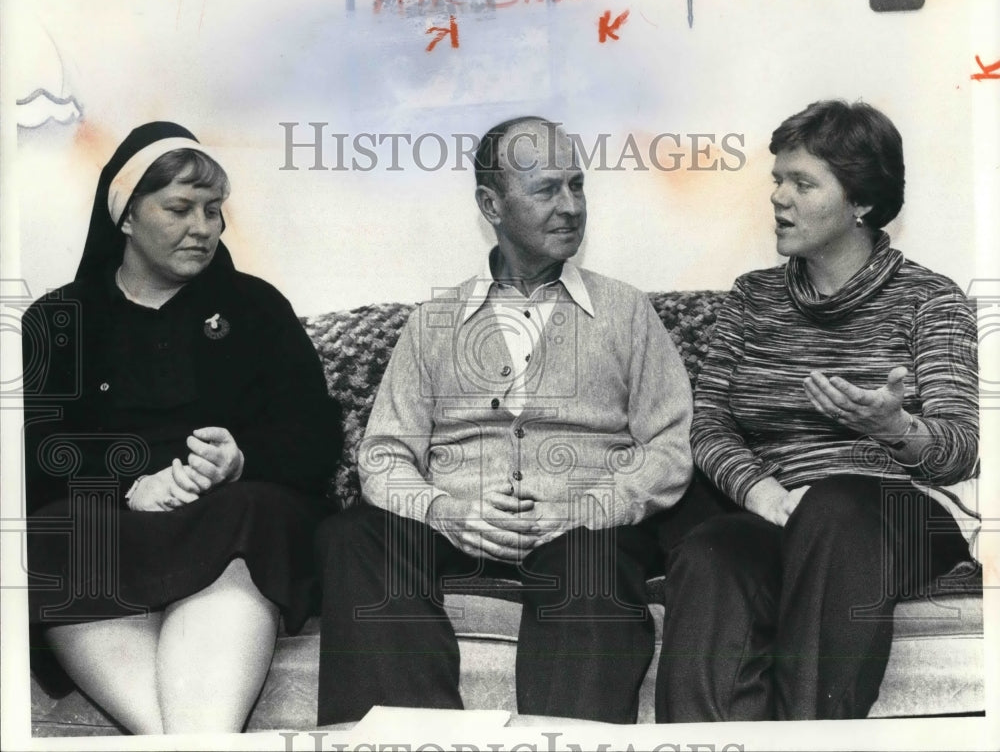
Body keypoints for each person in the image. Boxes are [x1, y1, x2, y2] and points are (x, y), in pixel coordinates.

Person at [314, 117, 694, 725]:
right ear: (491, 204)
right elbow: (384, 454)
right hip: (456, 526)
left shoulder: (624, 311)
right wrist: (449, 513)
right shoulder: (434, 319)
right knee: (354, 537)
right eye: (547, 190)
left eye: (577, 185)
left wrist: (584, 508)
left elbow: (670, 448)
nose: (570, 206)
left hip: (583, 528)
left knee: (590, 565)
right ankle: (410, 740)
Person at [655, 100, 979, 721]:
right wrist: (763, 494)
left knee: (834, 507)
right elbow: (708, 421)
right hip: (779, 513)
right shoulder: (752, 298)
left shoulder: (929, 301)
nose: (778, 197)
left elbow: (960, 446)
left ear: (860, 202)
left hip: (894, 519)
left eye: (802, 183)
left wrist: (897, 428)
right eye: (777, 179)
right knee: (710, 548)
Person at [22, 122, 342, 734]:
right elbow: (33, 452)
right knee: (54, 529)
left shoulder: (258, 308)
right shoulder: (59, 319)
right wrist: (124, 485)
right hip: (109, 524)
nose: (205, 228)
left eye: (214, 210)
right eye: (180, 208)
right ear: (125, 217)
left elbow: (314, 436)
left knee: (255, 509)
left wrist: (240, 459)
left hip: (232, 518)